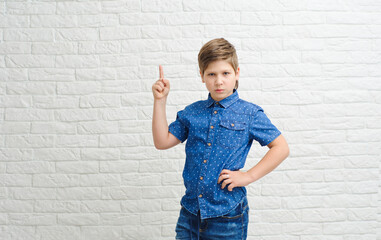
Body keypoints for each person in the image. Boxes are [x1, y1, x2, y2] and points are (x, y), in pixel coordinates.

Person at [152, 38, 289, 240]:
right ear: (202, 76)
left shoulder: (249, 113)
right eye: (212, 74)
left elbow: (281, 147)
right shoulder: (192, 112)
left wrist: (248, 176)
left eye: (225, 73)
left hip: (228, 215)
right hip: (190, 213)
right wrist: (160, 101)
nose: (219, 81)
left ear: (237, 74)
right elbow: (162, 141)